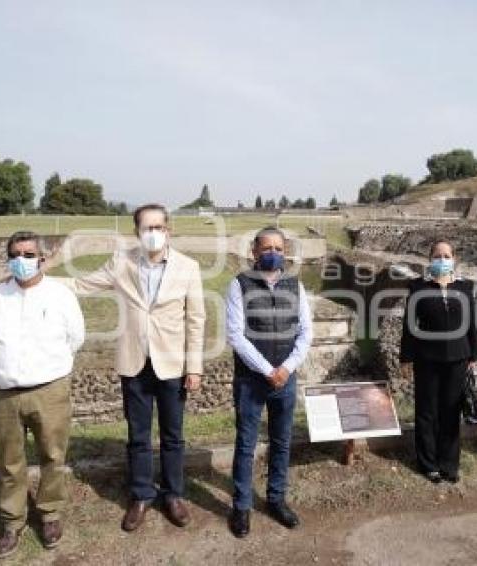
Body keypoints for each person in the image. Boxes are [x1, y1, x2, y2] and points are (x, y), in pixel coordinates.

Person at [67, 204, 205, 532]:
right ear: (137, 232)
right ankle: (142, 494)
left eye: (158, 227)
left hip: (172, 365)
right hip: (134, 363)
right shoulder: (122, 262)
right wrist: (38, 279)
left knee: (173, 436)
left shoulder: (188, 267)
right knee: (138, 435)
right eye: (147, 228)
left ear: (168, 230)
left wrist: (194, 366)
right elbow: (83, 285)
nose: (153, 233)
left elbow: (197, 319)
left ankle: (173, 494)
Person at [0, 231, 85, 559]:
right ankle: (12, 521)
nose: (21, 260)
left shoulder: (61, 295)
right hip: (4, 394)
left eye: (28, 254)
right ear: (8, 259)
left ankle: (49, 514)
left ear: (42, 257)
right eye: (15, 255)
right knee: (9, 461)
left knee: (53, 455)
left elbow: (75, 337)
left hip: (50, 390)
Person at [225, 226, 312, 538]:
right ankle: (242, 507)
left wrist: (286, 368)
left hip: (285, 379)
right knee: (246, 444)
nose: (272, 253)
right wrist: (267, 370)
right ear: (254, 252)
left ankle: (276, 499)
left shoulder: (295, 285)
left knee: (281, 441)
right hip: (251, 379)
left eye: (278, 248)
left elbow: (305, 332)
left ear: (284, 251)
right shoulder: (240, 285)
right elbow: (236, 334)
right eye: (266, 248)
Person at [400, 240, 477, 484]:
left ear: (454, 258)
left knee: (450, 411)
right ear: (430, 259)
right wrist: (406, 359)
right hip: (427, 359)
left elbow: (472, 325)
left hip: (458, 358)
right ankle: (428, 463)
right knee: (427, 412)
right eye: (437, 255)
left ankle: (449, 463)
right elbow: (410, 326)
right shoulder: (418, 287)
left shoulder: (465, 288)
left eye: (446, 255)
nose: (442, 259)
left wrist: (474, 357)